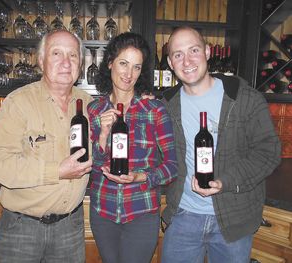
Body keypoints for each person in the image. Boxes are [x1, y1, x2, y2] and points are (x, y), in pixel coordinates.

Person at [161, 26, 281, 263]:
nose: (187, 61)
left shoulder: (244, 98)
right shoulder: (166, 105)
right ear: (170, 63)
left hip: (234, 219)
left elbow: (269, 152)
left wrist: (225, 182)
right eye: (178, 54)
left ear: (207, 52)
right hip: (183, 216)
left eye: (194, 50)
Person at [0, 30, 93, 263]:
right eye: (56, 54)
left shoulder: (90, 105)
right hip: (22, 230)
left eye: (73, 55)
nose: (65, 63)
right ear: (41, 61)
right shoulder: (19, 102)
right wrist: (56, 172)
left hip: (70, 228)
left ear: (80, 64)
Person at [87, 32, 178, 263]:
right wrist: (103, 134)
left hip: (141, 212)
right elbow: (93, 166)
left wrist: (140, 177)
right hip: (103, 211)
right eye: (123, 63)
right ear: (110, 63)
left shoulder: (154, 109)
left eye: (136, 67)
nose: (128, 74)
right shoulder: (94, 110)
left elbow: (172, 167)